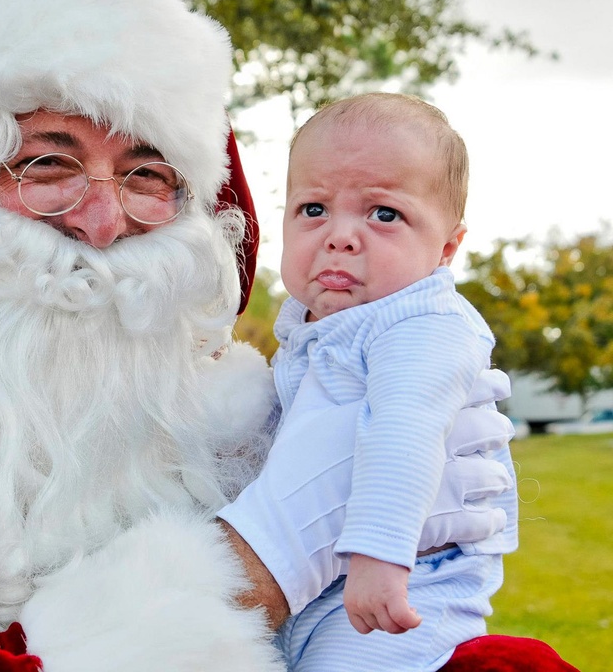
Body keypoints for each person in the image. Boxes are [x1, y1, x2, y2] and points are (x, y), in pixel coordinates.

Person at [0, 0, 574, 670]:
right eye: (48, 163)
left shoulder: (233, 392)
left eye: (148, 175)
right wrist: (263, 565)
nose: (101, 220)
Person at [221, 93, 518, 671]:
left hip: (408, 580)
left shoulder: (423, 323)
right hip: (323, 585)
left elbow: (408, 428)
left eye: (384, 214)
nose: (340, 235)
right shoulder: (317, 326)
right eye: (313, 209)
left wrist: (381, 554)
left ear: (446, 249)